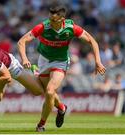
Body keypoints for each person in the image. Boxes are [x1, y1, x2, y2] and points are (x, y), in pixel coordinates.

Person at [18, 4, 106, 132]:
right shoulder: (43, 27)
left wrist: (98, 61)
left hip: (60, 62)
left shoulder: (71, 28)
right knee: (48, 93)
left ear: (62, 20)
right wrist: (25, 59)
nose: (51, 22)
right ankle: (61, 107)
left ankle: (41, 125)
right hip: (43, 61)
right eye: (50, 18)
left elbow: (92, 40)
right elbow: (22, 41)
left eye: (54, 20)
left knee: (49, 91)